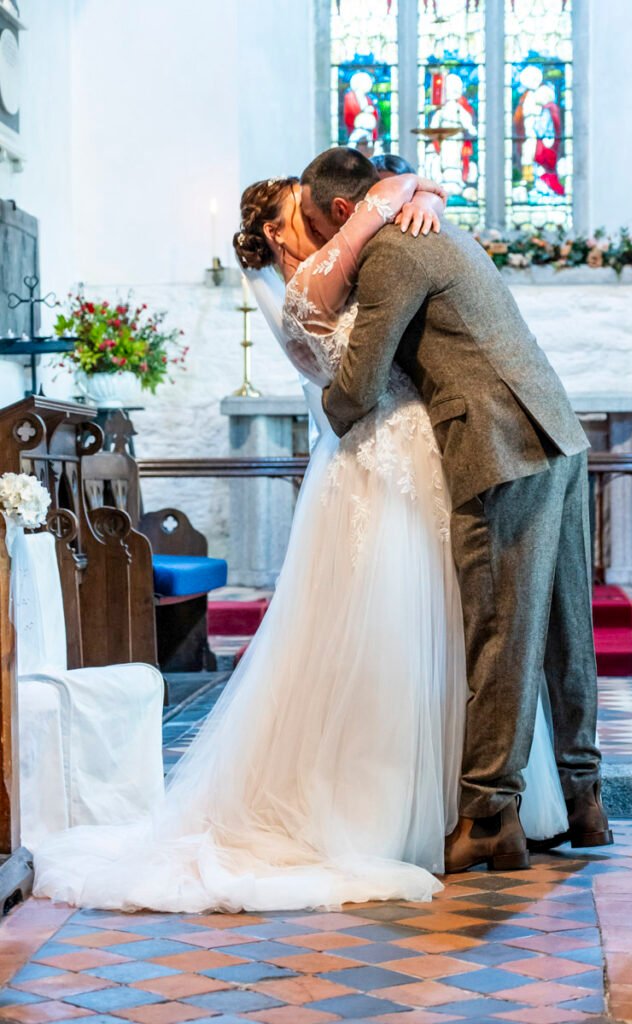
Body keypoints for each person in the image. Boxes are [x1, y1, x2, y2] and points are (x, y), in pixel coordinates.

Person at [32, 159, 566, 915]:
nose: (313, 225)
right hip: (374, 461)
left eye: (312, 212)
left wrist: (418, 188)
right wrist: (383, 203)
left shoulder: (353, 255)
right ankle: (389, 805)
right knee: (384, 628)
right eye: (295, 217)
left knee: (464, 620)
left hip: (426, 451)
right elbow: (353, 380)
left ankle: (475, 797)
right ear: (276, 234)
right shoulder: (309, 288)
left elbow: (393, 207)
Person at [300, 147, 611, 873]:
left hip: (499, 447)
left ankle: (487, 815)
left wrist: (322, 408)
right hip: (553, 432)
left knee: (497, 631)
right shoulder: (432, 227)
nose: (319, 244)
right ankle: (583, 800)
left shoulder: (391, 252)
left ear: (344, 212)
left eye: (318, 227)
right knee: (565, 629)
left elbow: (361, 382)